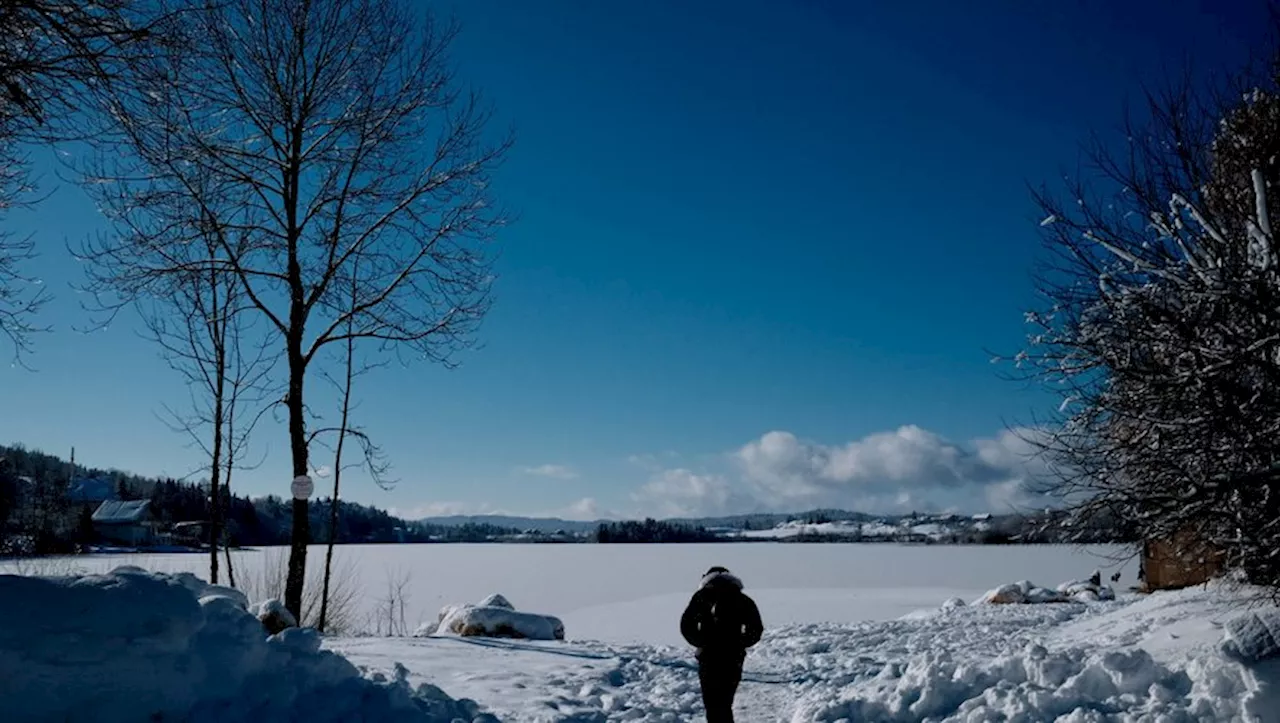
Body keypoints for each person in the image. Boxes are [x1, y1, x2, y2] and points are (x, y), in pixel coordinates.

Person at [680, 566, 763, 723]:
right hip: (734, 656)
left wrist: (701, 642)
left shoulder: (701, 596)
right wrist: (740, 643)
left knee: (712, 703)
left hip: (707, 656)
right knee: (725, 701)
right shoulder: (742, 598)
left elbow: (686, 625)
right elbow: (756, 628)